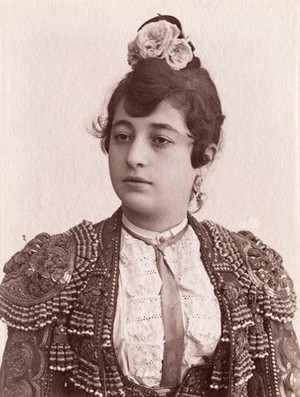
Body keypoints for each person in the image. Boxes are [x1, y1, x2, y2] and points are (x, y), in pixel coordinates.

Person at [0, 14, 299, 397]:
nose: (135, 156)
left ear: (203, 156)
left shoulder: (246, 266)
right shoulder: (60, 264)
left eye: (160, 139)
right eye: (123, 135)